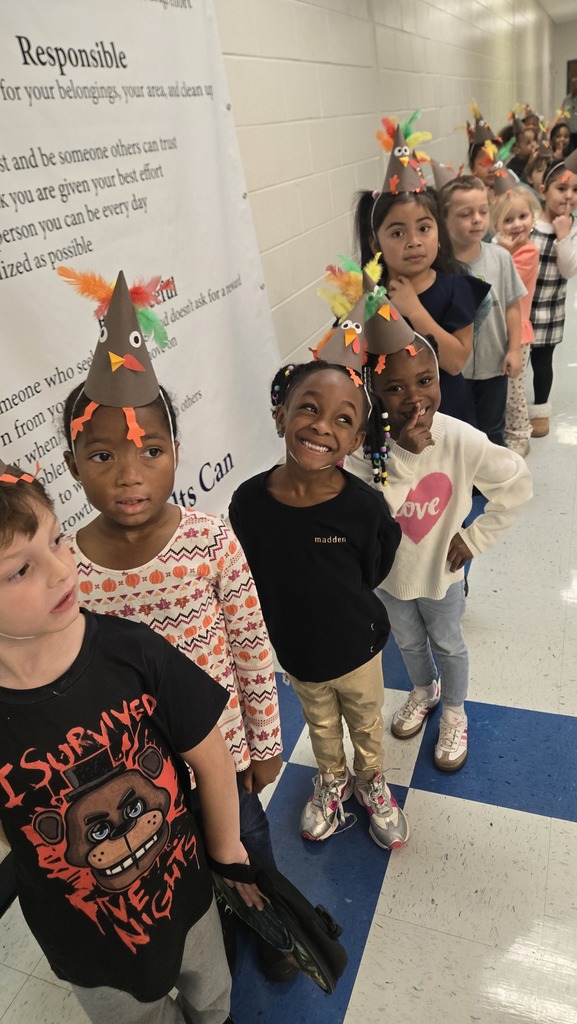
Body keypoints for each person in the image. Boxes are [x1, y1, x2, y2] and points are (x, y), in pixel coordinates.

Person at [59, 269, 289, 981]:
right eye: (103, 456)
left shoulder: (211, 541)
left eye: (150, 452)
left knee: (246, 851)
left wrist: (266, 743)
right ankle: (212, 933)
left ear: (176, 455)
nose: (130, 475)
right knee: (181, 872)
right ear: (73, 466)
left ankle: (276, 931)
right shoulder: (68, 568)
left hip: (222, 755)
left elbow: (251, 647)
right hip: (138, 784)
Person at [0, 459, 263, 1024]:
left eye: (57, 540)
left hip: (189, 899)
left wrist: (228, 856)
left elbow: (213, 761)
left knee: (213, 997)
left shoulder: (133, 652)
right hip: (84, 943)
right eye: (19, 570)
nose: (61, 570)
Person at [229, 330, 407, 851]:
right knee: (320, 723)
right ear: (281, 413)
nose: (321, 427)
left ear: (356, 441)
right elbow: (250, 577)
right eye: (309, 408)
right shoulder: (249, 503)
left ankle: (371, 779)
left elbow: (374, 567)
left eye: (343, 420)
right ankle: (333, 778)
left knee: (367, 723)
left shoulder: (364, 508)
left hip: (357, 648)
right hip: (297, 653)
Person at [360, 329, 532, 771]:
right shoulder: (365, 449)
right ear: (372, 392)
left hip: (442, 573)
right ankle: (425, 690)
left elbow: (517, 482)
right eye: (394, 387)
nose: (414, 398)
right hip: (388, 579)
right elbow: (371, 515)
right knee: (409, 641)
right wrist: (399, 459)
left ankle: (455, 709)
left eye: (424, 381)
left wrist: (474, 538)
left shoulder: (460, 439)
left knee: (448, 643)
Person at [355, 123, 490, 427]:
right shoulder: (368, 297)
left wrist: (413, 310)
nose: (413, 240)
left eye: (424, 228)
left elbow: (455, 362)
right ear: (375, 243)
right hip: (390, 421)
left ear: (438, 233)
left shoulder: (458, 288)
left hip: (448, 418)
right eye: (398, 232)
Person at [439, 174, 525, 447]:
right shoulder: (440, 268)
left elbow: (512, 306)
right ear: (444, 220)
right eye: (466, 214)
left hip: (493, 366)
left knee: (492, 430)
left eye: (482, 212)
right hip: (454, 373)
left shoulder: (500, 257)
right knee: (459, 434)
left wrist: (514, 349)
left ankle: (491, 487)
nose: (477, 219)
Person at [490, 176, 541, 455]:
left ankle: (520, 435)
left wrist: (503, 248)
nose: (517, 225)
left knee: (514, 392)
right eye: (508, 220)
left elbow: (506, 282)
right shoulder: (500, 251)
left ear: (532, 217)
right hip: (497, 331)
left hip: (518, 333)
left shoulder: (528, 252)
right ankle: (503, 430)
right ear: (497, 225)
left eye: (522, 216)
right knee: (502, 388)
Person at [529, 153, 577, 437]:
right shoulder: (529, 222)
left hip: (549, 311)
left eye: (575, 190)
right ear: (543, 190)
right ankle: (513, 408)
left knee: (543, 363)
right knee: (516, 362)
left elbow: (569, 269)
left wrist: (563, 236)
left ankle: (540, 409)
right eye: (562, 188)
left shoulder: (571, 230)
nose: (569, 196)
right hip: (521, 310)